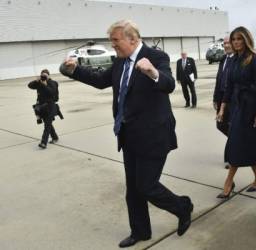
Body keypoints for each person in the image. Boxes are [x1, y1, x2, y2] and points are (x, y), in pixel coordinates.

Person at [60, 20, 193, 248]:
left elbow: (169, 84)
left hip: (154, 135)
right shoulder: (121, 62)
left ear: (132, 39)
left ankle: (183, 207)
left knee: (147, 186)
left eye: (116, 41)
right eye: (111, 41)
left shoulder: (156, 57)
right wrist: (74, 70)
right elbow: (101, 80)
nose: (113, 46)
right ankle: (140, 231)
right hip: (128, 135)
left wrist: (152, 72)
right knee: (133, 190)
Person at [216, 26, 256, 199]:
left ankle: (228, 182)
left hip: (252, 107)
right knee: (244, 143)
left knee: (237, 144)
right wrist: (222, 108)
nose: (236, 42)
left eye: (239, 39)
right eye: (234, 39)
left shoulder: (255, 59)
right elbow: (229, 87)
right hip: (237, 106)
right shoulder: (232, 60)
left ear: (246, 40)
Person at [213, 36, 234, 169]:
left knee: (232, 128)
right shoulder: (223, 59)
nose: (226, 45)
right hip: (221, 98)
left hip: (232, 99)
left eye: (228, 43)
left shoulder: (238, 59)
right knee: (220, 125)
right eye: (224, 43)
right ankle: (237, 142)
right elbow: (218, 79)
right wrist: (215, 98)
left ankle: (231, 157)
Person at [28, 69, 59, 149]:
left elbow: (52, 94)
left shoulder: (53, 83)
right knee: (48, 124)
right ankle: (55, 137)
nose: (43, 77)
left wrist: (45, 85)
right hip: (42, 107)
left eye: (45, 75)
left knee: (47, 125)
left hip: (50, 106)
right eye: (42, 75)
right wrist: (36, 81)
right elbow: (30, 86)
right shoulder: (39, 83)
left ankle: (43, 143)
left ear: (48, 75)